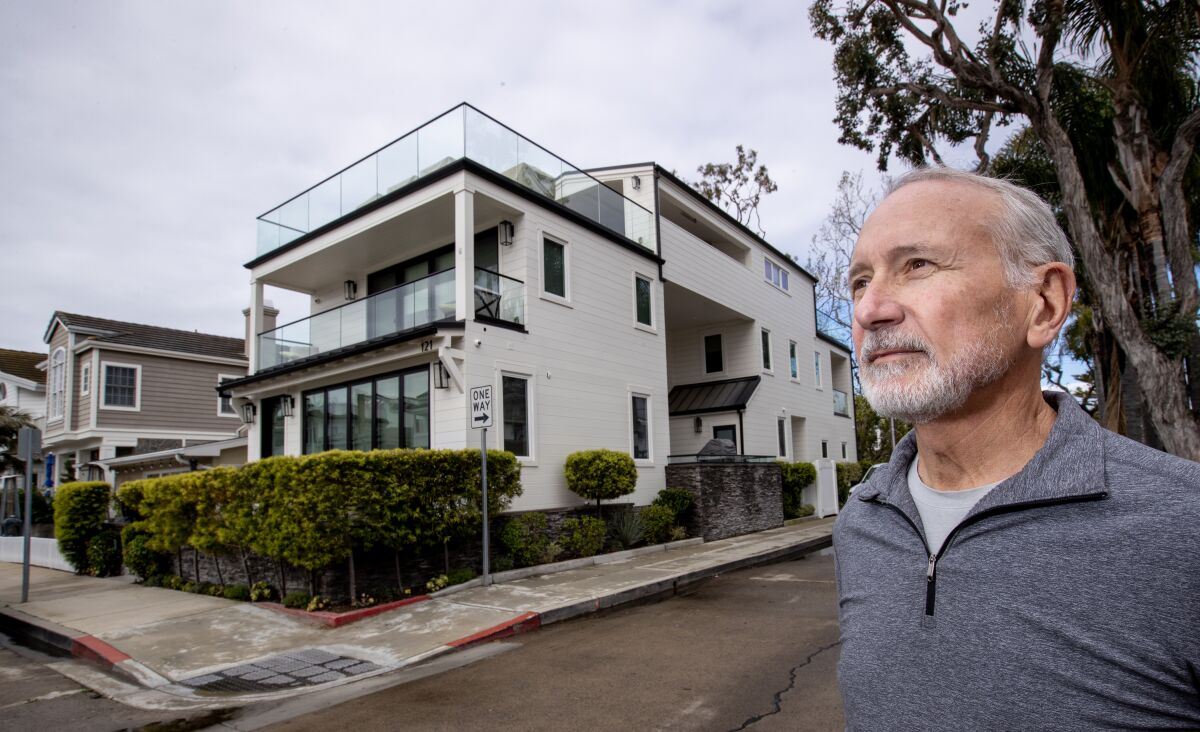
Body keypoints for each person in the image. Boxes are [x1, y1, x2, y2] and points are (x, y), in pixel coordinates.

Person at [833, 167, 1200, 729]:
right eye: (860, 281)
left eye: (918, 266)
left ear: (1045, 303)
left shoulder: (1183, 525)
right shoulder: (861, 521)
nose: (869, 310)